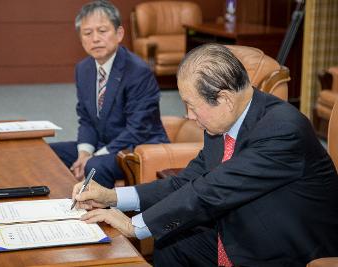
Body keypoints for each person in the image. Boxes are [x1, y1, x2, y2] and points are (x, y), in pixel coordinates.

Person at [72, 43, 338, 266]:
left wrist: (135, 226)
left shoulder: (283, 129)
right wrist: (112, 196)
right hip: (240, 227)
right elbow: (186, 181)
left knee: (167, 235)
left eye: (190, 105)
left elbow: (212, 190)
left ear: (224, 99)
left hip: (285, 246)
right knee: (172, 244)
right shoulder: (223, 122)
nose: (188, 115)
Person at [50, 0, 169, 188]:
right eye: (87, 33)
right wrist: (83, 153)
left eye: (102, 31)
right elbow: (87, 119)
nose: (95, 38)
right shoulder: (83, 69)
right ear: (81, 39)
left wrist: (93, 157)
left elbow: (138, 130)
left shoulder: (138, 71)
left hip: (138, 147)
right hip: (104, 144)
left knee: (96, 166)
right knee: (49, 152)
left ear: (119, 33)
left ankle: (102, 215)